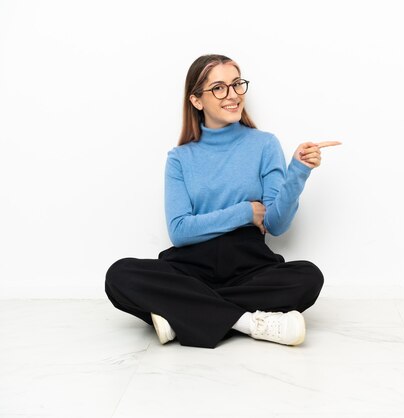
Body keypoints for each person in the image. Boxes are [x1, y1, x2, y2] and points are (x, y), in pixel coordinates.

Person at [104, 54, 340, 349]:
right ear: (197, 100)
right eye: (219, 88)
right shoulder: (180, 158)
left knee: (307, 277)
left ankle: (180, 314)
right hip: (192, 268)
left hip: (249, 266)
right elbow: (179, 231)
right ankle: (249, 322)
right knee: (119, 275)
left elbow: (276, 225)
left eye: (237, 84)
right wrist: (245, 211)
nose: (232, 95)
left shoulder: (264, 144)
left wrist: (299, 171)